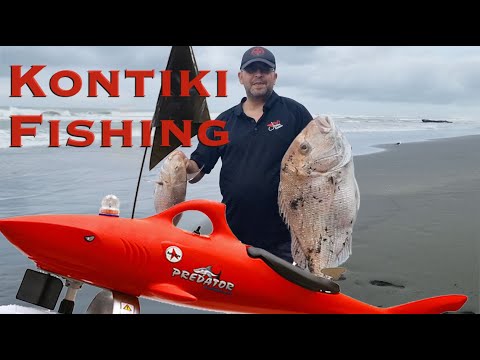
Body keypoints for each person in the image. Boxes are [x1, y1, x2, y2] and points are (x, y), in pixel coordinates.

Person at [185, 46, 313, 263]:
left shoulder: (295, 113)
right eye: (252, 69)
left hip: (285, 234)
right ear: (240, 77)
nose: (258, 75)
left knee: (279, 294)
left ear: (274, 76)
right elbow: (196, 171)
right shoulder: (222, 123)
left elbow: (318, 157)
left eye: (265, 69)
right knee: (233, 294)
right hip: (234, 231)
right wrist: (178, 163)